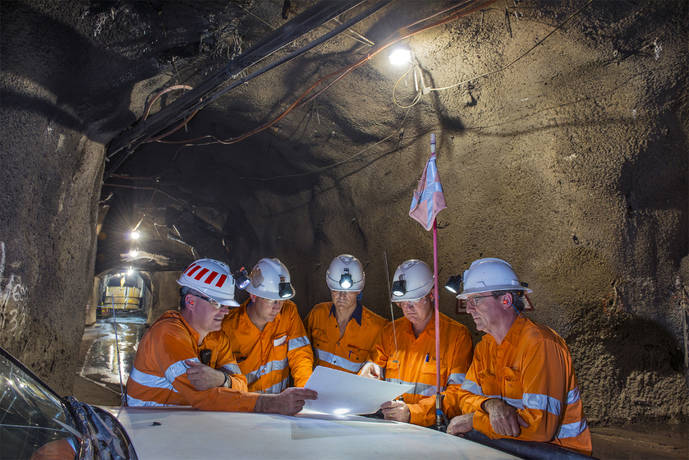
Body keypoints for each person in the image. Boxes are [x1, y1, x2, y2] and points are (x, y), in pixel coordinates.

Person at [126, 258, 316, 415]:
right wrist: (272, 404)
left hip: (183, 427)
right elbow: (202, 396)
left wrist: (221, 379)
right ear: (191, 302)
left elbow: (241, 385)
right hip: (147, 429)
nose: (225, 312)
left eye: (227, 305)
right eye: (218, 304)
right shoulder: (167, 334)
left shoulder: (217, 338)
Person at [445, 258, 592, 456]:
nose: (469, 309)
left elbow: (539, 428)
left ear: (506, 300)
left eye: (476, 300)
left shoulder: (540, 345)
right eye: (467, 301)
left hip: (559, 453)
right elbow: (463, 399)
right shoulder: (484, 348)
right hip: (509, 449)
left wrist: (475, 420)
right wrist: (489, 405)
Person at [359, 259, 473, 427]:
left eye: (414, 301)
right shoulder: (390, 332)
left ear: (432, 295)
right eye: (403, 302)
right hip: (389, 425)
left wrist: (413, 413)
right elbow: (374, 365)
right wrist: (369, 371)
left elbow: (458, 395)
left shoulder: (457, 336)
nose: (408, 308)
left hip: (431, 430)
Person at [222, 257, 313, 393]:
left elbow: (301, 356)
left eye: (281, 300)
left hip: (281, 407)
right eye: (272, 301)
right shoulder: (227, 328)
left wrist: (305, 392)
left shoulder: (288, 312)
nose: (278, 307)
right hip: (245, 409)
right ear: (253, 296)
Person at [306, 254, 387, 374]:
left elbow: (380, 368)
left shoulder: (378, 328)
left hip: (353, 392)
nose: (342, 295)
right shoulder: (317, 314)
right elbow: (300, 351)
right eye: (336, 289)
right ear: (329, 286)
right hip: (315, 391)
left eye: (348, 290)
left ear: (359, 289)